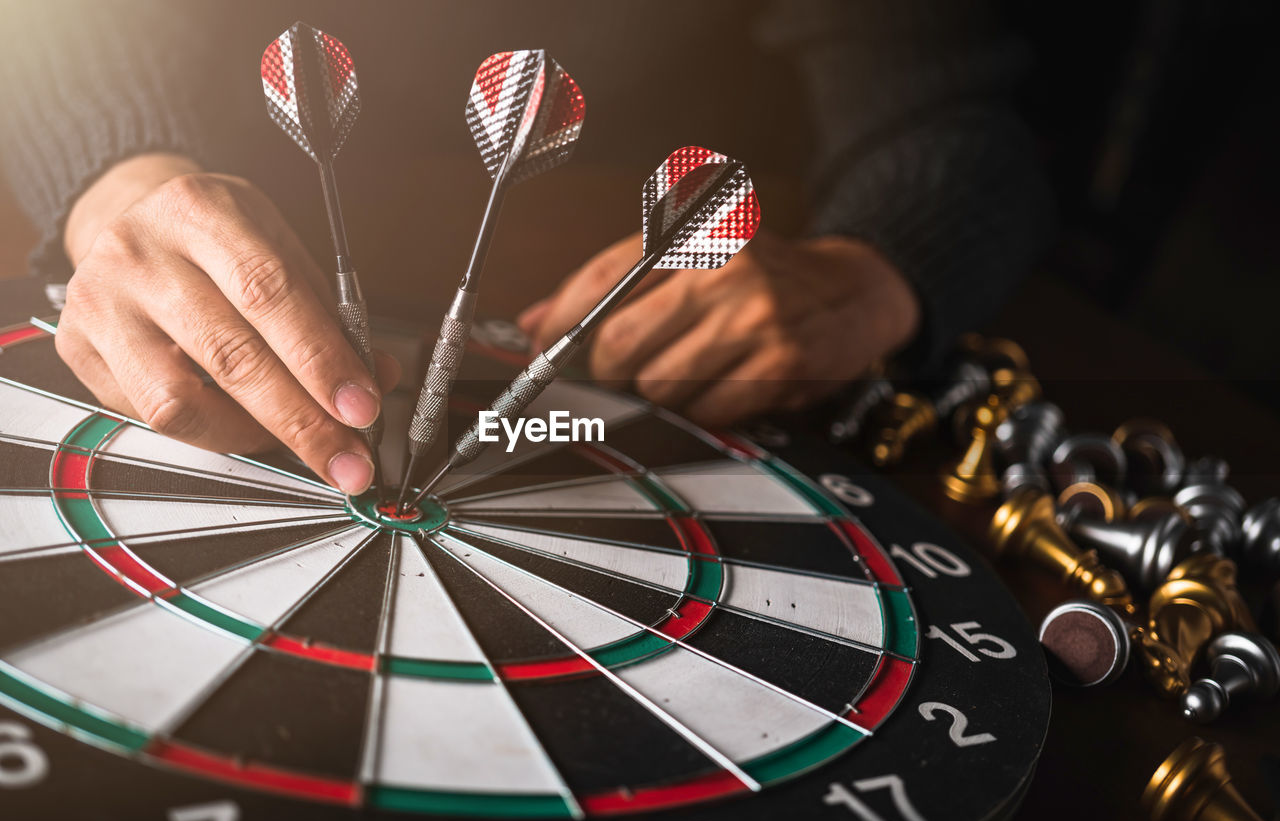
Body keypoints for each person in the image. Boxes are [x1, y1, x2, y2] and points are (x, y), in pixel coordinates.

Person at [0, 0, 1053, 496]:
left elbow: (959, 119)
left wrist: (872, 269)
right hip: (217, 255)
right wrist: (117, 173)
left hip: (585, 310)